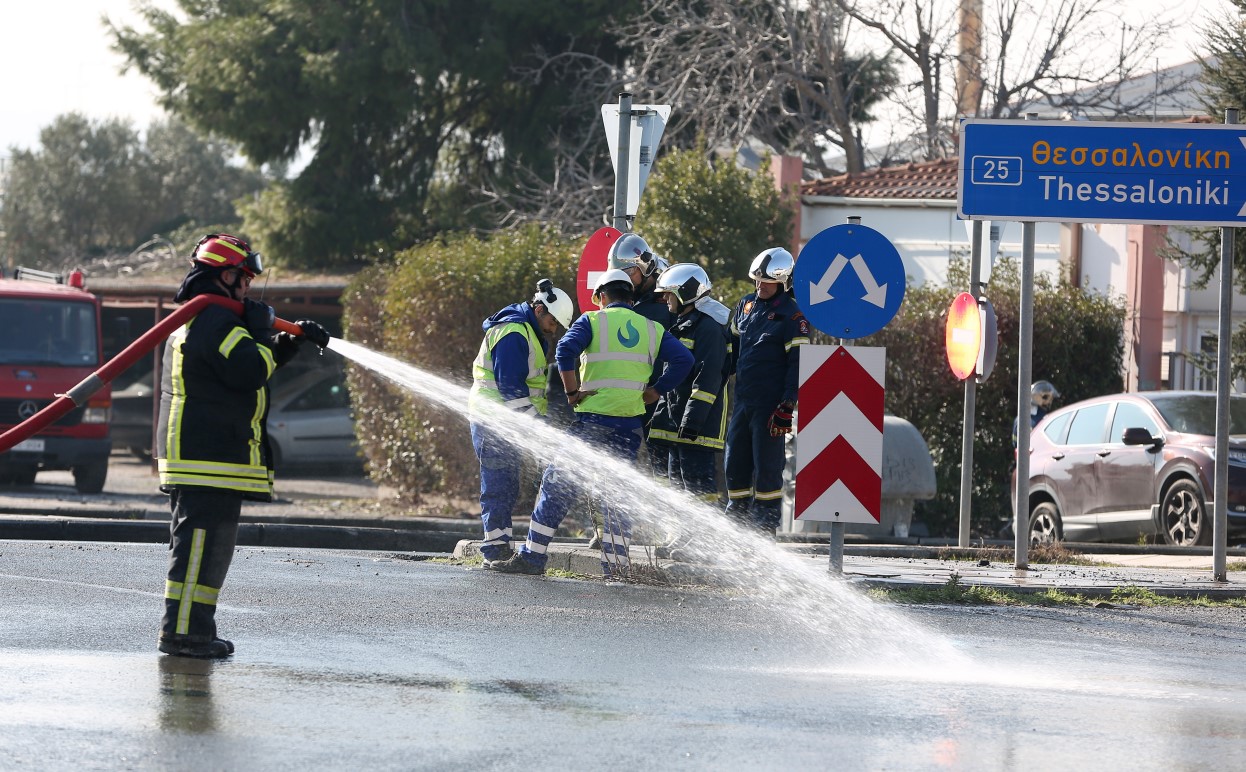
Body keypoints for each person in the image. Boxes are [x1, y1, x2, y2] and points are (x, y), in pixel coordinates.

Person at [156, 233, 330, 659]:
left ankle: (195, 631)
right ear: (226, 276)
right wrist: (262, 334)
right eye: (244, 279)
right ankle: (181, 635)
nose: (249, 288)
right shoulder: (214, 320)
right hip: (206, 457)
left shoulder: (208, 318)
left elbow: (248, 365)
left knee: (207, 552)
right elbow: (250, 370)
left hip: (208, 456)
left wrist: (286, 341)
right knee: (198, 551)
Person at [488, 269, 693, 576]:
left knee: (558, 483)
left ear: (600, 297)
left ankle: (532, 557)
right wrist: (657, 390)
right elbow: (685, 360)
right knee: (619, 494)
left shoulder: (592, 321)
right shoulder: (651, 328)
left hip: (593, 420)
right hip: (630, 425)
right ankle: (616, 568)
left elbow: (565, 350)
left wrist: (572, 392)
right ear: (631, 298)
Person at [468, 279, 575, 566]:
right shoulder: (514, 332)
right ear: (539, 309)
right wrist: (538, 428)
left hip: (506, 422)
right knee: (499, 485)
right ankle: (495, 550)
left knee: (506, 484)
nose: (554, 330)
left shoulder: (525, 330)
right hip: (495, 420)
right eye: (553, 322)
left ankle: (499, 546)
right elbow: (511, 389)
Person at [724, 247, 810, 535]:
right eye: (756, 280)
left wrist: (788, 403)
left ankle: (764, 523)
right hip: (743, 400)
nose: (759, 286)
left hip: (771, 406)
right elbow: (732, 346)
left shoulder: (793, 316)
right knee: (735, 460)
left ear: (783, 281)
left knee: (768, 467)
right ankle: (736, 516)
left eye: (766, 281)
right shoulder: (746, 306)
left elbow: (797, 364)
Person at [648, 263, 731, 504]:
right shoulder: (683, 324)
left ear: (686, 293)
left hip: (697, 425)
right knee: (677, 487)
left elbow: (709, 377)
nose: (664, 299)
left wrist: (692, 420)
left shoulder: (708, 328)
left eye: (668, 293)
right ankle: (682, 538)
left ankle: (707, 537)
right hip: (679, 421)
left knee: (699, 488)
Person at [1012, 380, 1061, 447]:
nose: (1049, 401)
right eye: (1045, 397)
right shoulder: (1043, 418)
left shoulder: (1020, 418)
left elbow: (1015, 443)